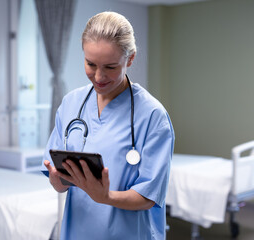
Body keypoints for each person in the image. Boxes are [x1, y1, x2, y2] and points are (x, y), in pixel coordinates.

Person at [42, 11, 175, 240]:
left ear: (130, 59)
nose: (99, 76)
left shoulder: (153, 116)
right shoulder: (71, 104)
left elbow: (149, 196)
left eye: (111, 67)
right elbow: (60, 179)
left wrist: (106, 197)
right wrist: (58, 181)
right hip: (78, 232)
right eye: (90, 64)